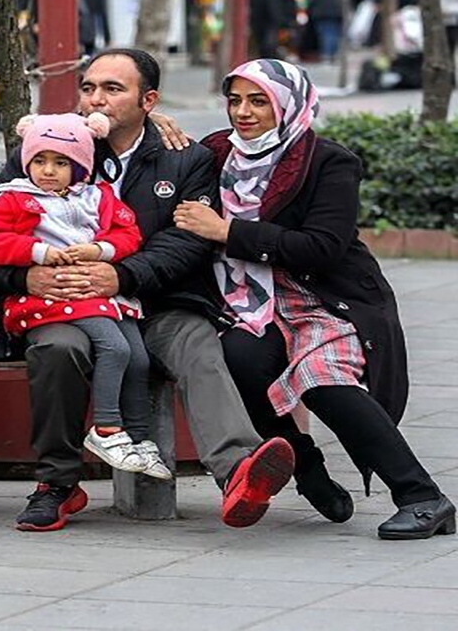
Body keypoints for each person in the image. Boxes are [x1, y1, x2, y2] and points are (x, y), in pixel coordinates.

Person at [0, 48, 296, 532]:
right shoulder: (49, 149)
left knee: (197, 345)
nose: (96, 100)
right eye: (89, 87)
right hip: (66, 304)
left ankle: (238, 471)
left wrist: (122, 277)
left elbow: (186, 242)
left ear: (148, 100)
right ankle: (57, 485)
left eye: (113, 89)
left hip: (158, 304)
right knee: (57, 349)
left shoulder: (187, 159)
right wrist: (25, 277)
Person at [180, 58, 454, 540]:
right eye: (235, 100)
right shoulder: (217, 154)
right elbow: (164, 160)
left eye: (259, 101)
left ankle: (422, 496)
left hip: (323, 297)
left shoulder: (328, 161)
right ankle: (308, 471)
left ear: (287, 104)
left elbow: (324, 247)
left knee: (320, 378)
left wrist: (229, 231)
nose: (243, 112)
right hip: (248, 300)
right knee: (237, 361)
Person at [0, 112, 170, 480]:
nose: (48, 170)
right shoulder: (16, 198)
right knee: (116, 349)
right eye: (39, 160)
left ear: (80, 165)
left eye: (61, 162)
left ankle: (140, 439)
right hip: (53, 296)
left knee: (139, 358)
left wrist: (100, 250)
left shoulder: (99, 196)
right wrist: (37, 253)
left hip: (100, 293)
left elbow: (130, 235)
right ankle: (107, 428)